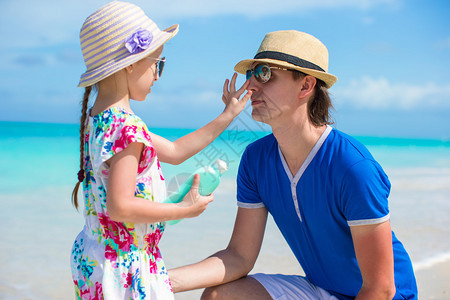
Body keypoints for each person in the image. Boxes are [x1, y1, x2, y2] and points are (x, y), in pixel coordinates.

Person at [168, 30, 418, 299]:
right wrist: (157, 280)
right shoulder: (256, 160)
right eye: (250, 74)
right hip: (321, 290)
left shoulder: (353, 168)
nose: (251, 86)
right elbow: (239, 256)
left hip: (385, 295)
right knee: (220, 295)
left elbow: (380, 288)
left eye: (265, 73)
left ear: (305, 86)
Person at [70, 1, 251, 299]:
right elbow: (121, 206)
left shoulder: (100, 120)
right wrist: (183, 210)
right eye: (158, 64)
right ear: (131, 62)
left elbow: (177, 150)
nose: (157, 75)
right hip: (126, 269)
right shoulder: (127, 128)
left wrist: (228, 115)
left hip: (97, 259)